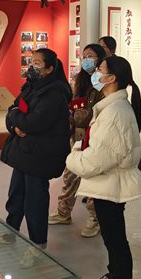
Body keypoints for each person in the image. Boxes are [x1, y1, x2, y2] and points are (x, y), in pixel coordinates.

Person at [66, 56, 141, 279]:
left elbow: (97, 160)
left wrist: (72, 157)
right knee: (113, 241)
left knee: (116, 243)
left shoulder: (115, 112)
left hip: (110, 183)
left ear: (111, 78)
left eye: (100, 69)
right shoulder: (111, 107)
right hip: (106, 184)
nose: (95, 72)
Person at [0, 48, 72, 260]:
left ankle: (37, 244)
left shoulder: (55, 93)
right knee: (16, 196)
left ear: (50, 68)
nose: (32, 66)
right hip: (24, 152)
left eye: (38, 63)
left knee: (35, 201)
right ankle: (10, 232)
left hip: (41, 156)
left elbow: (34, 123)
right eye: (32, 61)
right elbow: (11, 111)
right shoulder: (31, 86)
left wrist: (18, 120)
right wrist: (15, 127)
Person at [48, 43, 106, 238]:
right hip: (77, 135)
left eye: (90, 56)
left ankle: (95, 218)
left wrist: (84, 117)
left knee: (92, 178)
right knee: (71, 174)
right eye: (84, 56)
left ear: (100, 59)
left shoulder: (103, 83)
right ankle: (63, 211)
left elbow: (101, 112)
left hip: (95, 136)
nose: (86, 59)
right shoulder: (79, 81)